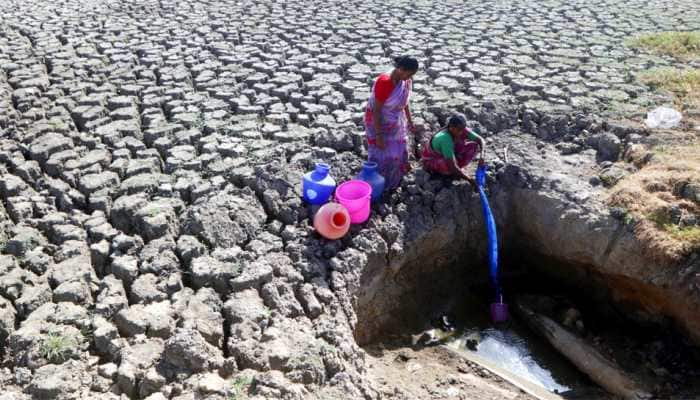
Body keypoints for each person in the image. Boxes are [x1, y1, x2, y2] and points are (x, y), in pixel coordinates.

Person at [364, 55, 419, 190]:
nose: (410, 77)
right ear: (400, 69)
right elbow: (376, 111)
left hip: (395, 122)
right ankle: (376, 183)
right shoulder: (385, 82)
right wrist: (379, 135)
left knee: (397, 152)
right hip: (378, 123)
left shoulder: (405, 81)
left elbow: (404, 102)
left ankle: (394, 181)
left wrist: (410, 121)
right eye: (409, 73)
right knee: (380, 154)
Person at [421, 113, 486, 189]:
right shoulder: (445, 139)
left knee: (473, 146)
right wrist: (469, 180)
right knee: (446, 165)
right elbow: (452, 166)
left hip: (449, 154)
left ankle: (458, 170)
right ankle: (447, 174)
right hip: (432, 160)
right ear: (451, 127)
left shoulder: (460, 129)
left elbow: (480, 140)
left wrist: (482, 156)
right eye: (459, 130)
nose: (461, 132)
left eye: (462, 129)